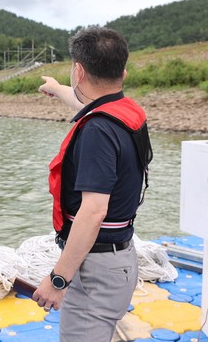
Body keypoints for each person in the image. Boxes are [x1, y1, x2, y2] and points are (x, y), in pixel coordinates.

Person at [32, 26, 153, 341]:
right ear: (122, 72)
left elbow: (94, 211)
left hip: (97, 269)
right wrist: (59, 89)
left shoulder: (98, 131)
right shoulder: (127, 113)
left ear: (79, 70)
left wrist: (59, 279)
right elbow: (92, 106)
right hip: (117, 259)